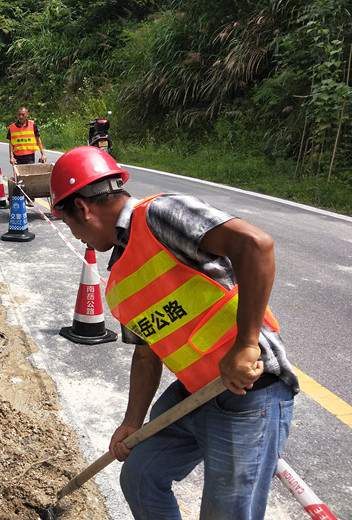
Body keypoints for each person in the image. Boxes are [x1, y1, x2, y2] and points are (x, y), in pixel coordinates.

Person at [49, 146, 298, 520]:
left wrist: (246, 344)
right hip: (193, 394)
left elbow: (256, 245)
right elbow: (147, 352)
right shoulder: (118, 275)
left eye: (69, 224)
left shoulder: (160, 215)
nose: (78, 236)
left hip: (249, 395)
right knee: (140, 476)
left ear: (83, 209)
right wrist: (132, 422)